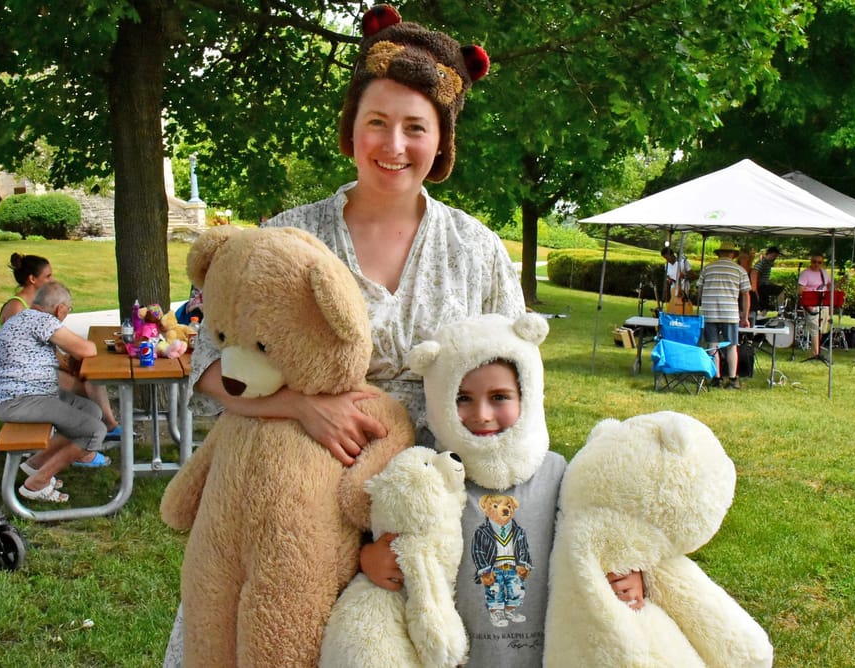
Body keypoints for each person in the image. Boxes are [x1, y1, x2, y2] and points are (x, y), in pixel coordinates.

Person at [164, 8, 525, 663]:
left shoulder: (476, 252)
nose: (393, 146)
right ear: (351, 129)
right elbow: (209, 360)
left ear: (441, 142)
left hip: (420, 515)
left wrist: (413, 535)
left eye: (416, 128)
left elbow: (510, 400)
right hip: (281, 516)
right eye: (376, 123)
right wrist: (301, 405)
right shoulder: (285, 237)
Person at [362, 313, 642, 666]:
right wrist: (370, 559)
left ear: (528, 393)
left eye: (499, 396)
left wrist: (627, 569)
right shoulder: (430, 478)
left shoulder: (561, 475)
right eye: (462, 398)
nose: (481, 414)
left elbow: (602, 536)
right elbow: (395, 541)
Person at [0, 281, 111, 503]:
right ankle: (36, 484)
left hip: (25, 395)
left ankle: (36, 464)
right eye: (68, 310)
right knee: (94, 431)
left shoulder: (23, 317)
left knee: (91, 410)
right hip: (21, 400)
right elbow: (87, 349)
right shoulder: (41, 320)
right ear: (60, 309)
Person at [0, 252, 121, 439]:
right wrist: (65, 364)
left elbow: (47, 345)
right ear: (32, 279)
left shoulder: (38, 304)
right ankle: (99, 431)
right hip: (25, 380)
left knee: (86, 374)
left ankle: (101, 428)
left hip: (36, 372)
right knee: (89, 382)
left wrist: (66, 361)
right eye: (48, 276)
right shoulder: (18, 308)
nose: (52, 279)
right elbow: (23, 351)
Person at [698, 241, 750, 389]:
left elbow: (700, 291)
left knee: (712, 345)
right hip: (730, 313)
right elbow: (746, 295)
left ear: (719, 254)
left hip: (709, 312)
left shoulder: (707, 268)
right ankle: (733, 379)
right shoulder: (739, 270)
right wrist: (745, 317)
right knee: (731, 346)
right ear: (733, 255)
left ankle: (716, 378)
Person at [798, 252, 832, 359]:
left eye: (819, 262)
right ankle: (815, 353)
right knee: (814, 327)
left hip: (823, 303)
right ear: (811, 262)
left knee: (821, 328)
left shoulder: (824, 273)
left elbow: (830, 286)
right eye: (814, 262)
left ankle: (817, 351)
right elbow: (800, 290)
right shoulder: (805, 273)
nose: (816, 264)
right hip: (811, 304)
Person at [753, 246, 784, 311]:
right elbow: (755, 273)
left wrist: (772, 283)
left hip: (763, 286)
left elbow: (764, 278)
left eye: (776, 256)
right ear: (769, 254)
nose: (775, 258)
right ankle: (781, 310)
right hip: (761, 287)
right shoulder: (762, 263)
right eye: (774, 255)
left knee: (764, 307)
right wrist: (755, 288)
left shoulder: (767, 263)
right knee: (780, 290)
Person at [737, 246, 760, 323]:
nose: (743, 260)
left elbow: (753, 288)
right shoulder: (736, 270)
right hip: (737, 299)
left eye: (745, 257)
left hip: (750, 300)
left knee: (750, 324)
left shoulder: (753, 272)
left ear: (749, 259)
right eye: (741, 258)